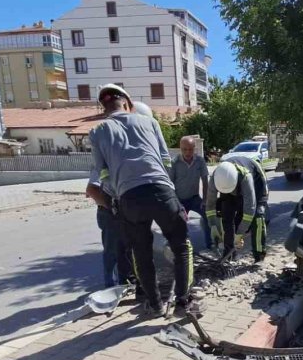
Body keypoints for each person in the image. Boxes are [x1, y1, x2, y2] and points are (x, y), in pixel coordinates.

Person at [89, 84, 199, 318]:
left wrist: (117, 198)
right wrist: (170, 195)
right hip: (161, 191)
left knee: (141, 252)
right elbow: (165, 160)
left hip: (129, 198)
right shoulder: (150, 123)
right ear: (128, 104)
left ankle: (155, 305)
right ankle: (183, 303)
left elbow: (103, 173)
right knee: (181, 247)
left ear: (104, 107)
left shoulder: (97, 132)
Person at [206, 156, 269, 263]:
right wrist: (213, 226)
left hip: (256, 183)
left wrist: (239, 234)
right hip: (229, 186)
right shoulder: (217, 176)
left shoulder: (246, 177)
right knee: (226, 215)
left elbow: (250, 210)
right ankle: (229, 253)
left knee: (257, 217)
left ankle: (259, 256)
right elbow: (210, 205)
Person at [85, 170, 132, 288]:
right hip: (109, 213)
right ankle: (110, 286)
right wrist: (112, 207)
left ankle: (124, 283)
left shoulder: (122, 162)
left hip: (124, 211)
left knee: (125, 250)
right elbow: (91, 190)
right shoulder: (102, 164)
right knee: (112, 251)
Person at [170, 137, 213, 250]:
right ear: (180, 149)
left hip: (195, 198)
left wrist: (204, 200)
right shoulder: (174, 163)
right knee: (180, 225)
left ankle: (211, 245)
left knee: (208, 216)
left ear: (194, 148)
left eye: (190, 149)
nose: (187, 152)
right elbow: (169, 184)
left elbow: (205, 181)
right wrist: (176, 204)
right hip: (180, 200)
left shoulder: (200, 161)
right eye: (184, 149)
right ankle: (185, 249)